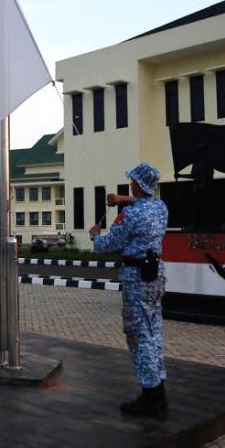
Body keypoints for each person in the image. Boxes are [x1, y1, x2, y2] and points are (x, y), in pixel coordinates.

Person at [89, 162, 169, 416]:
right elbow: (141, 202)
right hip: (155, 276)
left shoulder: (131, 216)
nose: (130, 184)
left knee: (138, 336)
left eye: (132, 181)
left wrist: (95, 235)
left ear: (138, 184)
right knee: (154, 331)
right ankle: (159, 391)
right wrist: (123, 198)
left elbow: (107, 245)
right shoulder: (160, 207)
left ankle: (149, 397)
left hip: (136, 278)